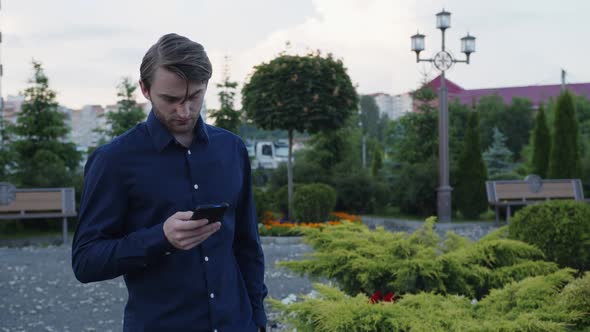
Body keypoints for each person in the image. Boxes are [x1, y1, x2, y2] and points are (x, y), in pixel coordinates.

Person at [72, 33, 267, 332]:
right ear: (145, 89)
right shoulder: (114, 160)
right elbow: (85, 261)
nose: (184, 111)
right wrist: (160, 238)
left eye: (194, 97)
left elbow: (247, 246)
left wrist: (257, 321)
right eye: (171, 99)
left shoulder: (232, 149)